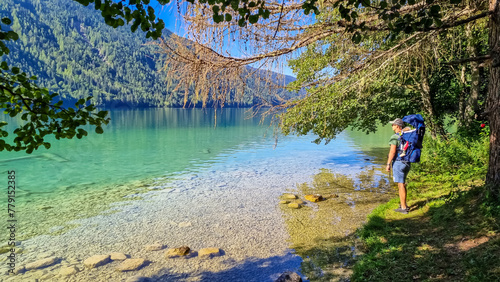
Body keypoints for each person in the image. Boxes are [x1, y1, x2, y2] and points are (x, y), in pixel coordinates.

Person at [386, 118, 411, 214]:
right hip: (407, 163)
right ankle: (403, 204)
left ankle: (403, 208)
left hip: (398, 163)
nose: (392, 126)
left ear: (397, 126)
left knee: (400, 185)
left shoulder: (395, 137)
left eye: (393, 124)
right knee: (403, 184)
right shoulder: (407, 135)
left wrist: (388, 164)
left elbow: (392, 152)